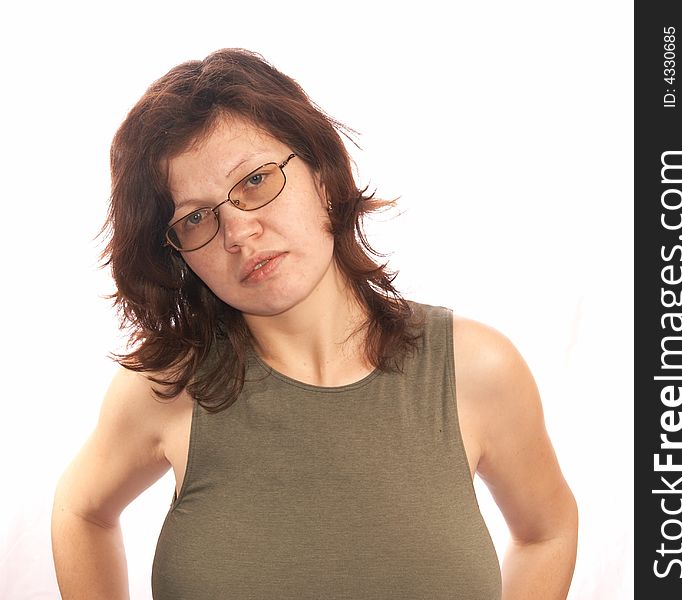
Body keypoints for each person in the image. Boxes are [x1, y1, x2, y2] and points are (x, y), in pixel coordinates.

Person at [51, 48, 578, 600]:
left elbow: (548, 531)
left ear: (323, 175)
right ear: (178, 252)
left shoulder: (476, 370)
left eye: (254, 181)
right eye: (197, 217)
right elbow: (79, 510)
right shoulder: (167, 389)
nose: (238, 232)